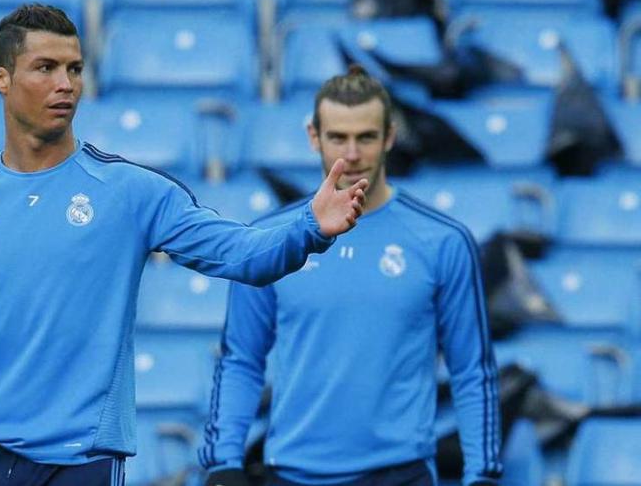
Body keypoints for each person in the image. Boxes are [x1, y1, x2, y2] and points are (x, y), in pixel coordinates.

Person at [0, 4, 369, 486]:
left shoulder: (130, 192)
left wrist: (308, 228)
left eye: (75, 69)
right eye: (46, 68)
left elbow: (240, 253)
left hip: (78, 465)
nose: (66, 84)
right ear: (0, 79)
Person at [199, 66, 503, 486]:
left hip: (402, 475)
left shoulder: (443, 242)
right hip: (293, 475)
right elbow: (241, 360)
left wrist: (482, 473)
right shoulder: (269, 239)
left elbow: (472, 370)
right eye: (338, 138)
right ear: (313, 137)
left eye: (366, 137)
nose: (352, 154)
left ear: (390, 137)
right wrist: (223, 462)